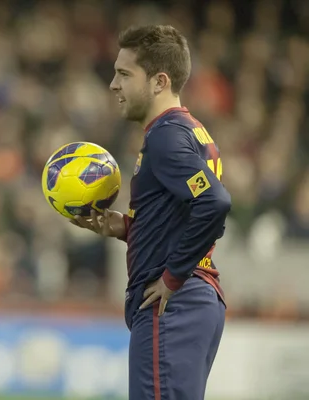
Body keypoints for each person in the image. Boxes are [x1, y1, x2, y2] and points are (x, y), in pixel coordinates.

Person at [71, 25, 231, 399]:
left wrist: (172, 277)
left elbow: (214, 202)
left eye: (124, 74)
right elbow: (188, 211)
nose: (113, 84)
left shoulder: (165, 136)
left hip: (175, 304)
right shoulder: (190, 130)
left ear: (159, 81)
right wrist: (128, 228)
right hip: (192, 302)